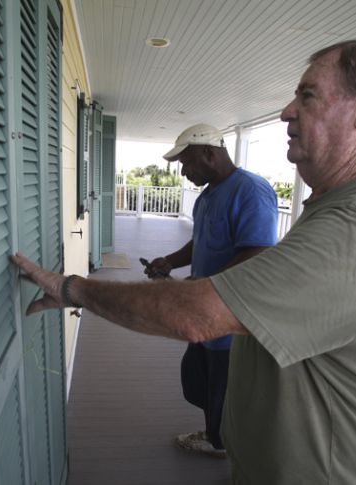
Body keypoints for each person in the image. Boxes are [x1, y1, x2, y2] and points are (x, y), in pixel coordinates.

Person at [11, 39, 356, 484]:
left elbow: (201, 313)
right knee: (202, 387)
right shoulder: (336, 206)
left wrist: (71, 288)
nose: (287, 111)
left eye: (307, 95)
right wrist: (176, 268)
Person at [143, 123, 278, 458]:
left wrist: (206, 285)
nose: (184, 172)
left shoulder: (251, 190)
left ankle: (230, 449)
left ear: (209, 153)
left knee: (226, 390)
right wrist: (169, 262)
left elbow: (258, 253)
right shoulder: (206, 198)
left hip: (233, 320)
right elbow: (200, 241)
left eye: (187, 163)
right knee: (201, 383)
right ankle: (215, 436)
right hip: (205, 313)